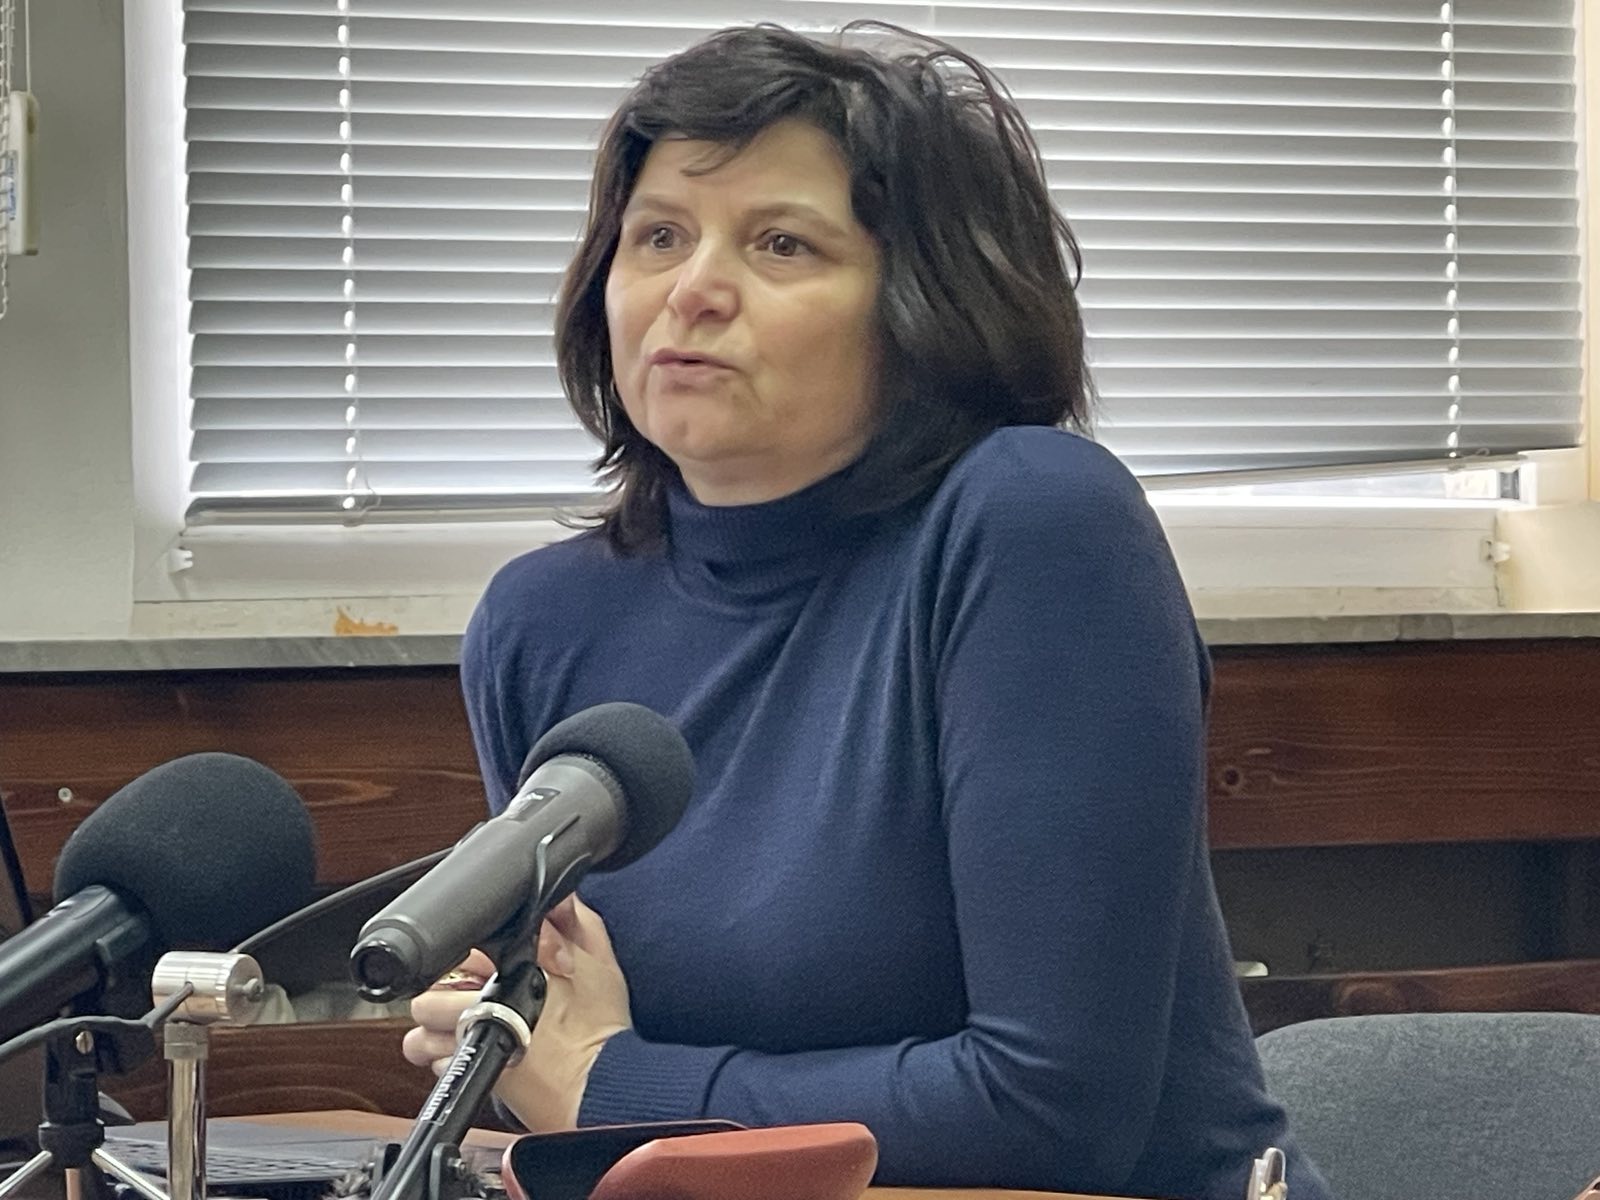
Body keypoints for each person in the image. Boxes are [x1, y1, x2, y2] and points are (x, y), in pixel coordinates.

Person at [404, 22, 1333, 1200]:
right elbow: (554, 1043)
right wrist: (525, 1048)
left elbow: (1049, 1110)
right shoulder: (540, 621)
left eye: (781, 244)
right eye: (658, 236)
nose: (693, 291)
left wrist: (613, 1086)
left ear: (920, 302)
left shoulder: (1032, 523)